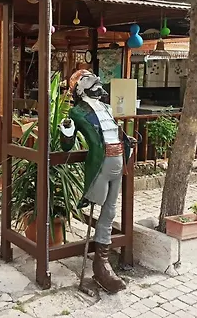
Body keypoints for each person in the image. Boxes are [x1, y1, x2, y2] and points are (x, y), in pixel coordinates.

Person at [59, 70, 136, 293]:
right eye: (88, 79)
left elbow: (113, 133)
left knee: (110, 211)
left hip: (118, 162)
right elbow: (67, 146)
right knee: (98, 205)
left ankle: (101, 264)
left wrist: (126, 142)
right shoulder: (77, 112)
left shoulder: (107, 108)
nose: (96, 82)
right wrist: (67, 132)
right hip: (101, 165)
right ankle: (100, 266)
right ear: (79, 88)